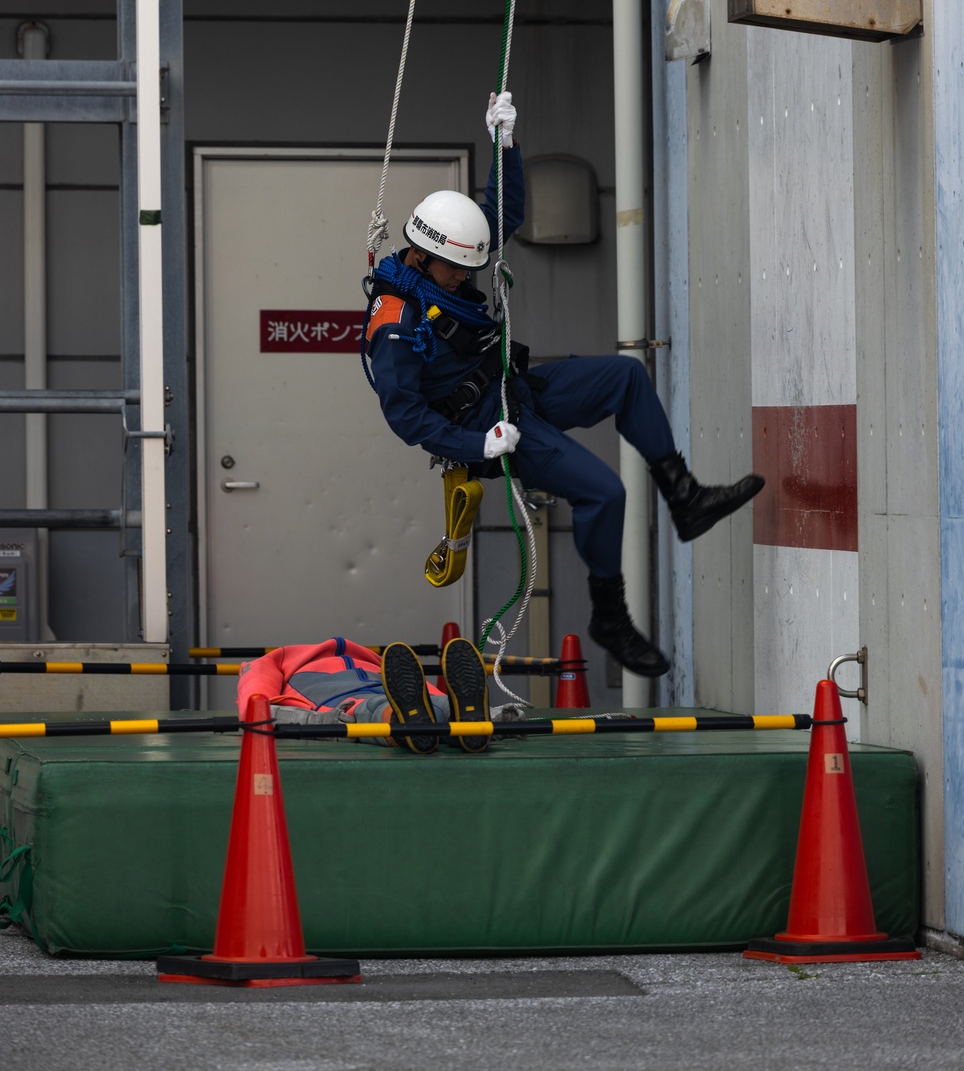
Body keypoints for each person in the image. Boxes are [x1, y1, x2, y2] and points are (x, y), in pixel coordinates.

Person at [365, 91, 764, 680]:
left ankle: (685, 496)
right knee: (605, 492)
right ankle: (612, 617)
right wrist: (479, 448)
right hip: (491, 427)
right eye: (455, 270)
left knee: (625, 376)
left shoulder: (446, 267)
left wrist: (506, 148)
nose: (464, 278)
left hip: (513, 388)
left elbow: (502, 220)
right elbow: (404, 417)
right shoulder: (395, 323)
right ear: (422, 257)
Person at [237, 635, 502, 754]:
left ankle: (405, 726)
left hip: (334, 690)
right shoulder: (376, 660)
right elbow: (258, 706)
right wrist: (498, 717)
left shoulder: (283, 659)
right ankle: (469, 722)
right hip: (364, 681)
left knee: (370, 709)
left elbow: (256, 703)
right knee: (436, 703)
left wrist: (315, 720)